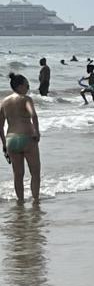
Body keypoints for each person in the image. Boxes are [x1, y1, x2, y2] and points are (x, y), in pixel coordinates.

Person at [1, 73, 42, 204]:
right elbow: (33, 115)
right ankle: (35, 201)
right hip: (27, 138)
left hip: (11, 139)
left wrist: (4, 145)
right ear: (19, 86)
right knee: (35, 172)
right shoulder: (25, 99)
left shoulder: (3, 102)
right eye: (27, 85)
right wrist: (36, 131)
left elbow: (0, 126)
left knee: (18, 175)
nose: (28, 88)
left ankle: (20, 202)